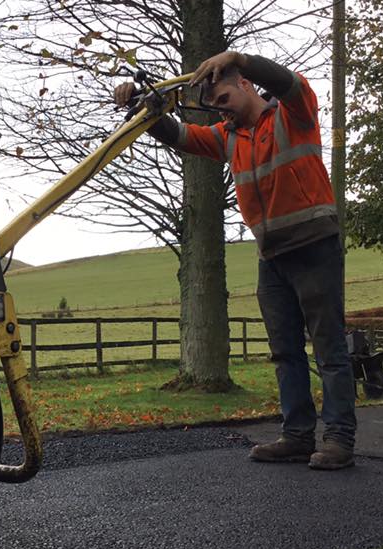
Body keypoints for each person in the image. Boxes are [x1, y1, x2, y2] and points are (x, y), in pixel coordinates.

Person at [114, 51, 357, 470]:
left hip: (315, 247)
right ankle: (297, 436)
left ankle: (338, 439)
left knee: (329, 349)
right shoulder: (229, 137)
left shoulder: (293, 114)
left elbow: (288, 82)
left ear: (244, 83)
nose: (219, 108)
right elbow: (182, 135)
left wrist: (240, 59)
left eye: (224, 97)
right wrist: (139, 106)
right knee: (285, 353)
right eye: (213, 104)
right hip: (272, 257)